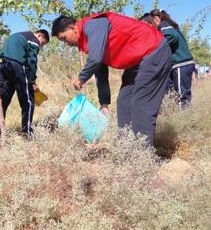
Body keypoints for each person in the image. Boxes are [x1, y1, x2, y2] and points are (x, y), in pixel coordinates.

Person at [51, 12, 172, 146]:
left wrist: (81, 78)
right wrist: (104, 103)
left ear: (73, 28)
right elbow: (100, 68)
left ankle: (142, 153)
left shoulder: (93, 25)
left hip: (154, 51)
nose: (65, 43)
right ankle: (126, 147)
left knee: (141, 105)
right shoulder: (88, 39)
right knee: (123, 101)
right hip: (137, 61)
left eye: (63, 38)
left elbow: (95, 59)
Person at [0, 29, 49, 138]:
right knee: (28, 101)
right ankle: (27, 133)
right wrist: (32, 81)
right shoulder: (32, 39)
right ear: (40, 35)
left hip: (2, 65)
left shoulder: (17, 35)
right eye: (43, 43)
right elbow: (32, 61)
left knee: (2, 100)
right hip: (17, 66)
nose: (40, 46)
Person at [149, 9, 195, 108]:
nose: (152, 25)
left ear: (156, 18)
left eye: (151, 21)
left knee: (182, 95)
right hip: (179, 64)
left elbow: (171, 36)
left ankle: (183, 119)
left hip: (180, 63)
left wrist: (157, 48)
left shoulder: (164, 25)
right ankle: (176, 114)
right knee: (172, 92)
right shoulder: (170, 25)